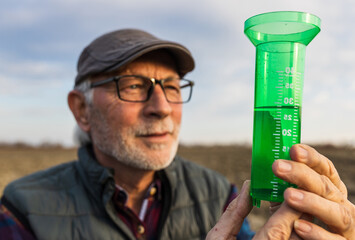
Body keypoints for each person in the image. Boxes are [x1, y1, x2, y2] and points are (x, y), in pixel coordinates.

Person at [0, 29, 354, 240]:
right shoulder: (22, 211)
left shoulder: (219, 195)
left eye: (172, 86)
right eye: (134, 85)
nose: (163, 106)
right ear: (81, 110)